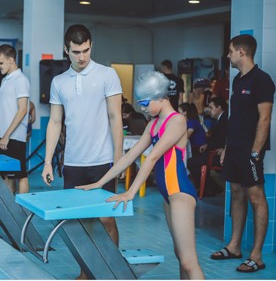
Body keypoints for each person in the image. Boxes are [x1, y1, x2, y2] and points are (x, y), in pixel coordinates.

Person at [77, 71, 205, 279]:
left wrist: (130, 192)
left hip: (180, 192)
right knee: (180, 255)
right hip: (168, 194)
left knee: (189, 261)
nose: (143, 108)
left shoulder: (177, 121)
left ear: (160, 97)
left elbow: (153, 158)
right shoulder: (154, 124)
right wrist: (100, 182)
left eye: (145, 103)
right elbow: (131, 156)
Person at [41, 24, 123, 279]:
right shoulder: (58, 82)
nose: (82, 57)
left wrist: (118, 159)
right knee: (78, 222)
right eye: (76, 52)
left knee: (106, 219)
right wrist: (46, 162)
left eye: (86, 50)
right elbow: (55, 122)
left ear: (91, 47)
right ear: (66, 50)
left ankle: (110, 269)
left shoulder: (107, 75)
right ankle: (86, 272)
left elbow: (115, 117)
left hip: (103, 160)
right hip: (73, 163)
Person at [210, 34, 275, 273]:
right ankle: (234, 246)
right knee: (236, 193)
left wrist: (255, 153)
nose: (227, 56)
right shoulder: (238, 80)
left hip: (250, 151)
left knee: (256, 198)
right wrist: (227, 146)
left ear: (241, 52)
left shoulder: (262, 80)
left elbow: (265, 118)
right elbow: (235, 118)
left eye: (229, 51)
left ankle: (256, 256)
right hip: (235, 147)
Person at [0, 44, 30, 195]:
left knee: (20, 175)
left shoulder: (21, 80)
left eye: (0, 63)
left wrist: (7, 135)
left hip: (14, 136)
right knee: (6, 175)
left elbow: (22, 109)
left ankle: (22, 214)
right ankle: (9, 214)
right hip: (1, 134)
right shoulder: (6, 80)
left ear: (11, 60)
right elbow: (5, 109)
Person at [187, 97, 227, 195]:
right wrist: (206, 144)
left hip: (219, 154)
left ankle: (206, 189)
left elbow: (220, 140)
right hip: (215, 151)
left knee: (192, 162)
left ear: (219, 108)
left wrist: (208, 145)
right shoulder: (222, 119)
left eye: (211, 107)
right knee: (196, 160)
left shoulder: (224, 120)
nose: (208, 109)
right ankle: (211, 188)